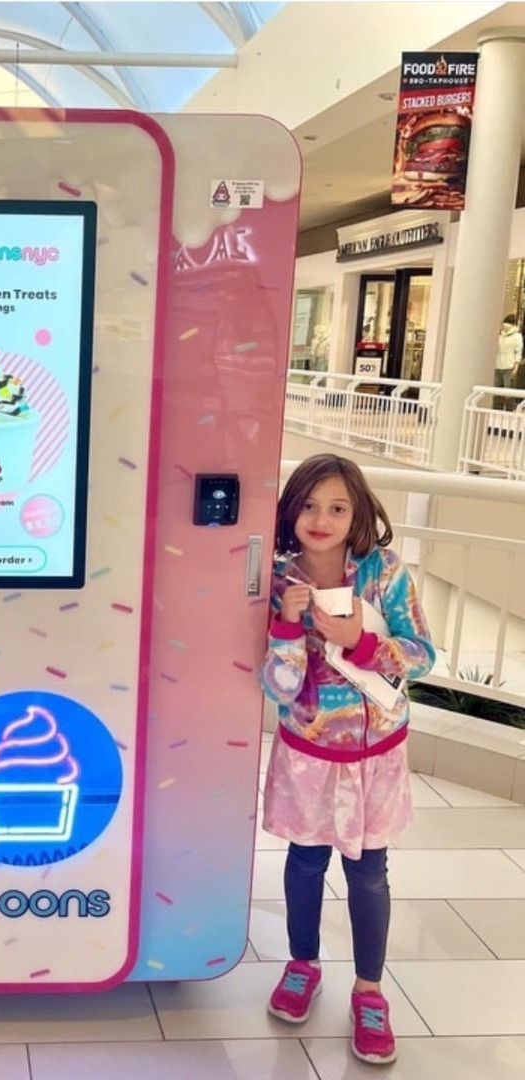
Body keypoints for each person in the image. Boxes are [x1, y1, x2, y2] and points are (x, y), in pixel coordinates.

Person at [260, 453, 434, 1066]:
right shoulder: (278, 579)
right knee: (305, 863)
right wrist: (287, 623)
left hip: (376, 755)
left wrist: (358, 640)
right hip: (307, 751)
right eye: (307, 505)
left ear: (358, 513)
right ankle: (302, 963)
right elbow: (278, 689)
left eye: (337, 507)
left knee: (368, 871)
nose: (321, 518)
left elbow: (420, 656)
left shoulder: (384, 574)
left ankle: (369, 991)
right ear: (289, 510)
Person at [494, 314, 522, 408]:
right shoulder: (499, 335)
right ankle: (496, 411)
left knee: (508, 393)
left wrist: (516, 365)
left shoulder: (517, 336)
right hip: (498, 366)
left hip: (509, 367)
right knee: (496, 392)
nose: (505, 325)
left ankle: (509, 412)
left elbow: (518, 351)